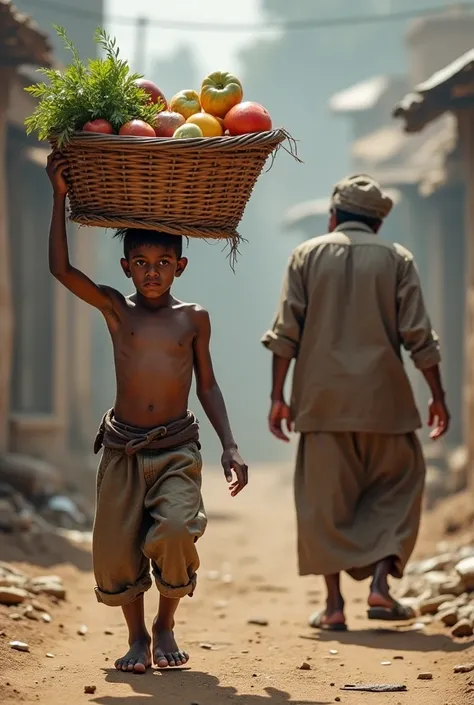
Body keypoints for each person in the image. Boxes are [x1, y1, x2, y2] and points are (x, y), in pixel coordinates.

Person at [46, 151, 248, 672]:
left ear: (180, 266)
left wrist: (229, 443)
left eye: (162, 264)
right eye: (141, 263)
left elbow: (207, 384)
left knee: (177, 531)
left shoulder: (193, 319)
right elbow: (60, 268)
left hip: (176, 446)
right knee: (116, 550)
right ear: (125, 267)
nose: (151, 273)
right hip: (121, 449)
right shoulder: (117, 309)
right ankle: (138, 637)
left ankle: (165, 622)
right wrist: (59, 194)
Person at [261, 174, 450, 631]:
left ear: (333, 216)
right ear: (378, 225)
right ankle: (381, 586)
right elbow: (418, 337)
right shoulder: (398, 259)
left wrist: (277, 397)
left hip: (321, 405)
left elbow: (286, 333)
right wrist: (437, 396)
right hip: (386, 404)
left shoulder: (305, 255)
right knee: (400, 487)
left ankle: (333, 605)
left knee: (323, 503)